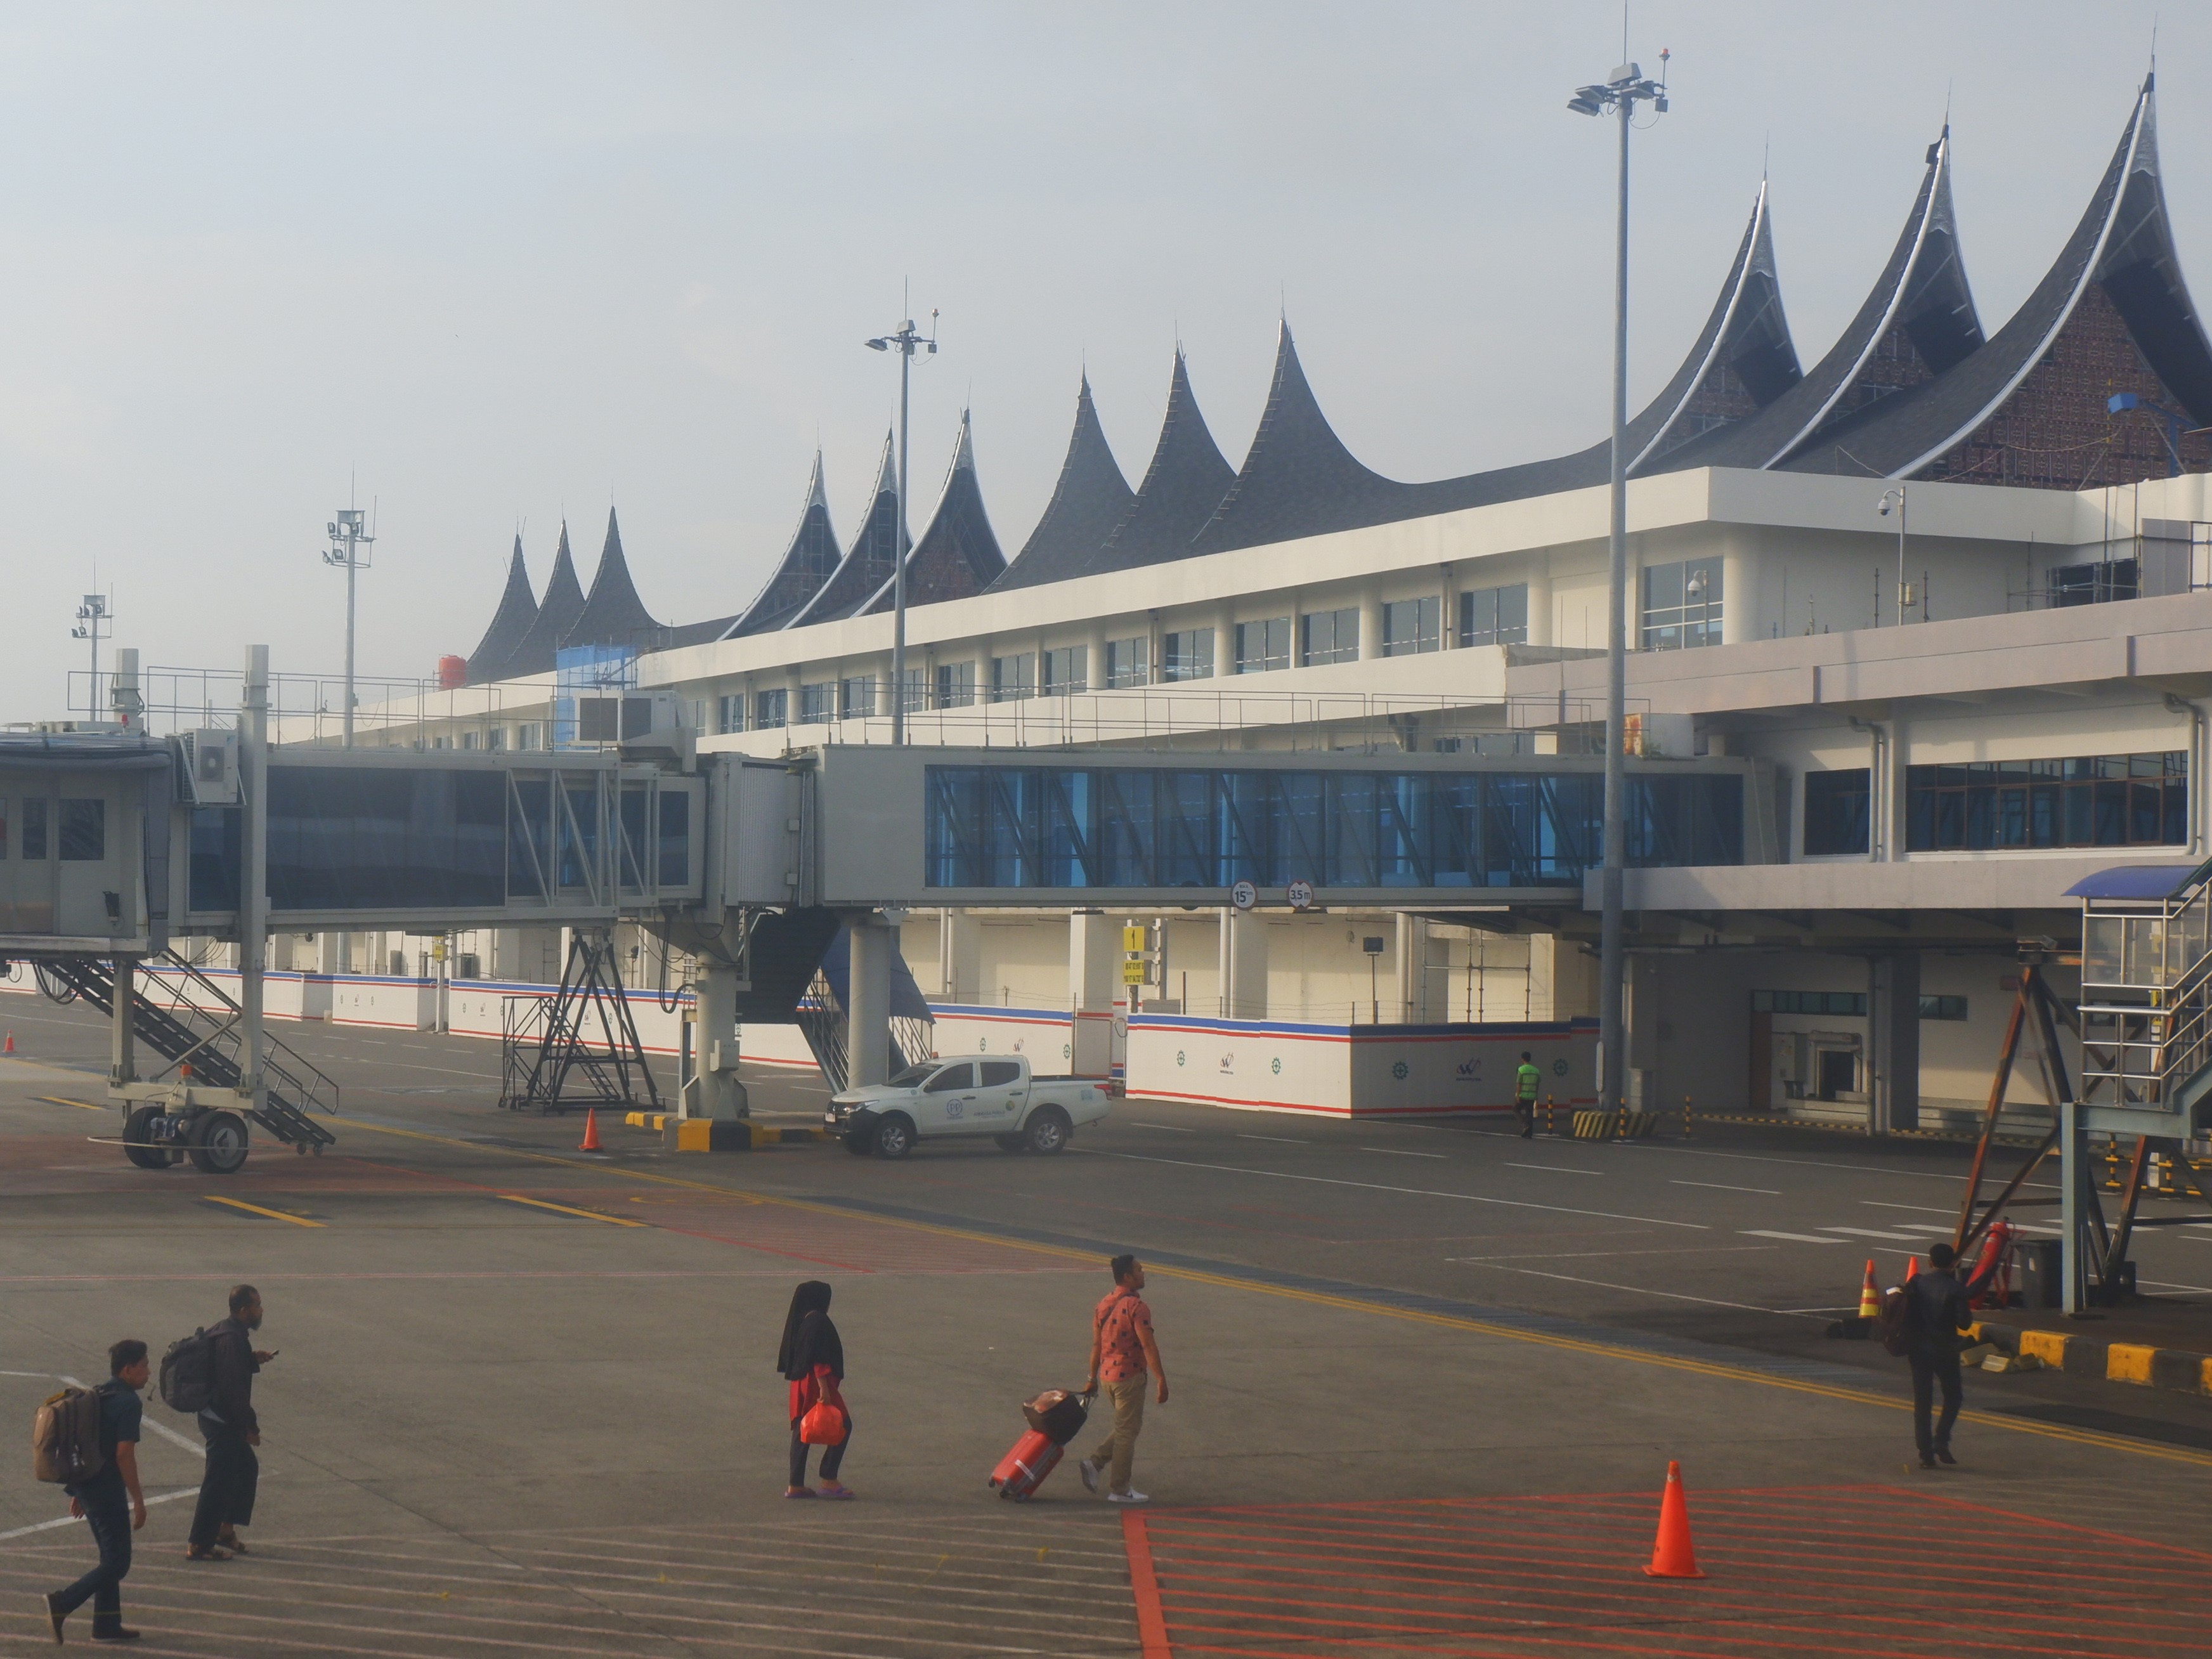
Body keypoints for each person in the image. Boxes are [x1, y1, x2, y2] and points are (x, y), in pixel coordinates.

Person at [42, 1339, 150, 1644]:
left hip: (89, 1485)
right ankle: (62, 1603)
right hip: (105, 1489)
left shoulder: (100, 1393)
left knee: (109, 1558)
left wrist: (80, 1489)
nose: (148, 1371)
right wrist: (139, 1501)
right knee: (118, 1562)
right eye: (144, 1366)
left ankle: (106, 1625)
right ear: (128, 1370)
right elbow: (123, 1454)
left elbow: (90, 1442)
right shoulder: (129, 1402)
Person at [186, 1285, 274, 1561]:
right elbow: (233, 1390)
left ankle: (225, 1530)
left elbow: (227, 1368)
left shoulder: (228, 1332)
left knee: (247, 1468)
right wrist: (251, 1428)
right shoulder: (232, 1339)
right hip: (221, 1419)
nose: (261, 1311)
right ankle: (199, 1543)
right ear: (243, 1310)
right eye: (258, 1306)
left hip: (220, 1415)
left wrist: (251, 1360)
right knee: (218, 1480)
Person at [1080, 1254, 1166, 1506]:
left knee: (1127, 1427)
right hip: (1129, 1377)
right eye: (1139, 1270)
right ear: (1128, 1277)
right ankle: (1119, 1488)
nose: (1143, 1273)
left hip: (1108, 1377)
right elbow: (1148, 1346)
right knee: (1128, 1433)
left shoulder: (1104, 1304)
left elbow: (1096, 1345)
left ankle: (1095, 1464)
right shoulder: (1137, 1307)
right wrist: (1161, 1379)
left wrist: (1091, 1378)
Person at [778, 1281, 852, 1499]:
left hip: (799, 1383)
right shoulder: (819, 1321)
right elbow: (819, 1357)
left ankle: (796, 1484)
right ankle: (829, 1479)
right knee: (844, 1424)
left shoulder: (802, 1320)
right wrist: (824, 1388)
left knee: (802, 1430)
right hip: (817, 1382)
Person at [1906, 1244, 1972, 1469]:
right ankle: (1941, 1439)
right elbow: (1965, 1323)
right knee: (1953, 1396)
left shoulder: (1917, 1283)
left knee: (1922, 1402)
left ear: (1930, 1262)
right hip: (1945, 1349)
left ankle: (1925, 1453)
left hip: (1919, 1349)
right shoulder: (1955, 1289)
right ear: (1952, 1264)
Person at [1514, 1052, 1542, 1139]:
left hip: (1523, 1095)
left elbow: (1519, 1083)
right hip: (1532, 1095)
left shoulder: (1521, 1070)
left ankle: (1524, 1125)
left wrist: (1518, 1095)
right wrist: (1536, 1096)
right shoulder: (1536, 1071)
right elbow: (1537, 1085)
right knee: (1529, 1114)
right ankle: (1529, 1134)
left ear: (1522, 1059)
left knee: (1516, 1109)